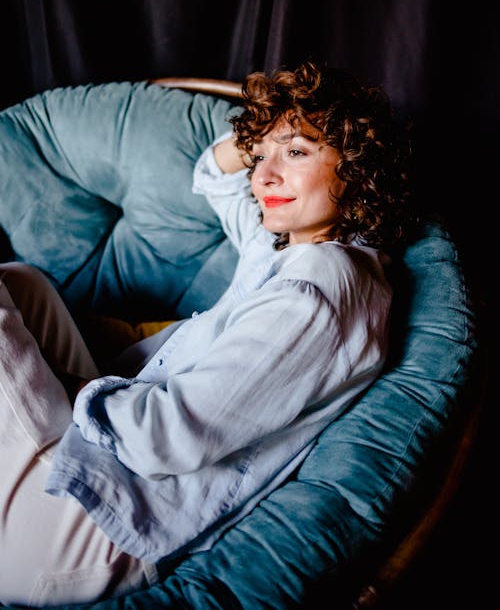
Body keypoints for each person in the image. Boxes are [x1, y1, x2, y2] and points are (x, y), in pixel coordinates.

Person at [0, 60, 415, 606]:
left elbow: (165, 436)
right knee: (22, 284)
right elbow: (213, 174)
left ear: (356, 166)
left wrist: (66, 383)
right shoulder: (289, 246)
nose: (265, 174)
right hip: (100, 470)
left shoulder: (320, 291)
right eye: (261, 156)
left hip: (90, 529)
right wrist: (266, 134)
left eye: (296, 152)